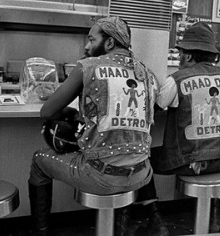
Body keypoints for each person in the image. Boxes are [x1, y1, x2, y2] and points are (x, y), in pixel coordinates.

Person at [28, 17, 158, 235]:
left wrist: (70, 111)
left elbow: (47, 111)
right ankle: (120, 227)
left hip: (101, 177)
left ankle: (40, 232)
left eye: (91, 39)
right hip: (142, 174)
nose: (87, 46)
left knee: (39, 160)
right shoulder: (146, 73)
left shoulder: (88, 67)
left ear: (108, 43)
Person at [131, 22, 220, 235]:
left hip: (188, 162)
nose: (179, 56)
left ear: (189, 56)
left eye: (181, 52)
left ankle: (155, 221)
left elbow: (151, 111)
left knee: (140, 159)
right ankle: (212, 217)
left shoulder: (177, 80)